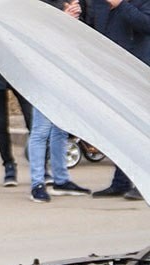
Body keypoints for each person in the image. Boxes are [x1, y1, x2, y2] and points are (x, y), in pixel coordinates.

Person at [28, 0, 90, 203]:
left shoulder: (80, 3)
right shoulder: (41, 5)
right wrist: (61, 17)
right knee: (41, 130)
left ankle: (61, 179)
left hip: (67, 72)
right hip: (43, 73)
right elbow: (33, 28)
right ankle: (37, 183)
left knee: (61, 129)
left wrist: (77, 19)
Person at [87, 0, 150, 200]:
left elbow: (146, 24)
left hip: (139, 71)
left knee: (141, 129)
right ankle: (121, 182)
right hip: (111, 74)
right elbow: (92, 32)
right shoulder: (98, 4)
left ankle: (144, 182)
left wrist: (121, 4)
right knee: (120, 130)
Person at [0, 60, 31, 187]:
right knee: (1, 124)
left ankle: (41, 166)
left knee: (33, 122)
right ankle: (9, 165)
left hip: (20, 70)